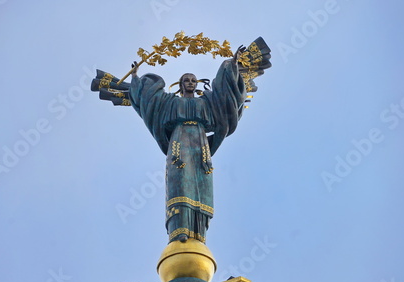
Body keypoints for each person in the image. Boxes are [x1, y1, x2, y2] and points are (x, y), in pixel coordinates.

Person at [91, 37, 271, 244]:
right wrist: (136, 79)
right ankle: (179, 230)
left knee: (201, 185)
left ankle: (199, 232)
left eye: (193, 80)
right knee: (180, 184)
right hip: (179, 142)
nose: (191, 83)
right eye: (187, 80)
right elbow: (149, 99)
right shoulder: (170, 103)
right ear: (181, 83)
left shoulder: (207, 103)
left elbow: (226, 94)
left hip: (201, 146)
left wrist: (232, 64)